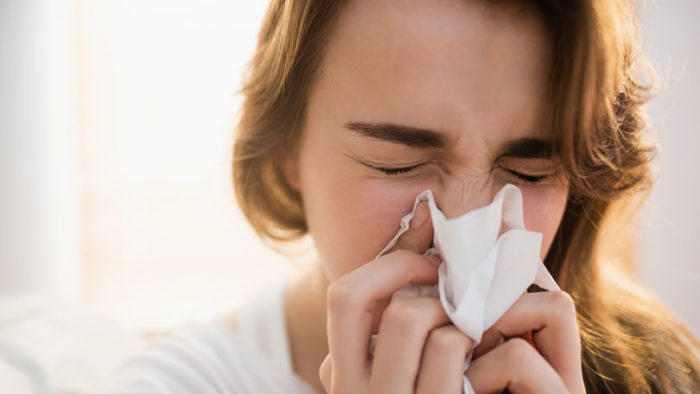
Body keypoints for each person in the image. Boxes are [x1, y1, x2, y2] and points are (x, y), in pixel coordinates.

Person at [109, 0, 700, 393]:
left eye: (530, 168)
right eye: (400, 164)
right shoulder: (180, 382)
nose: (465, 229)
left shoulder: (659, 371)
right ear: (286, 153)